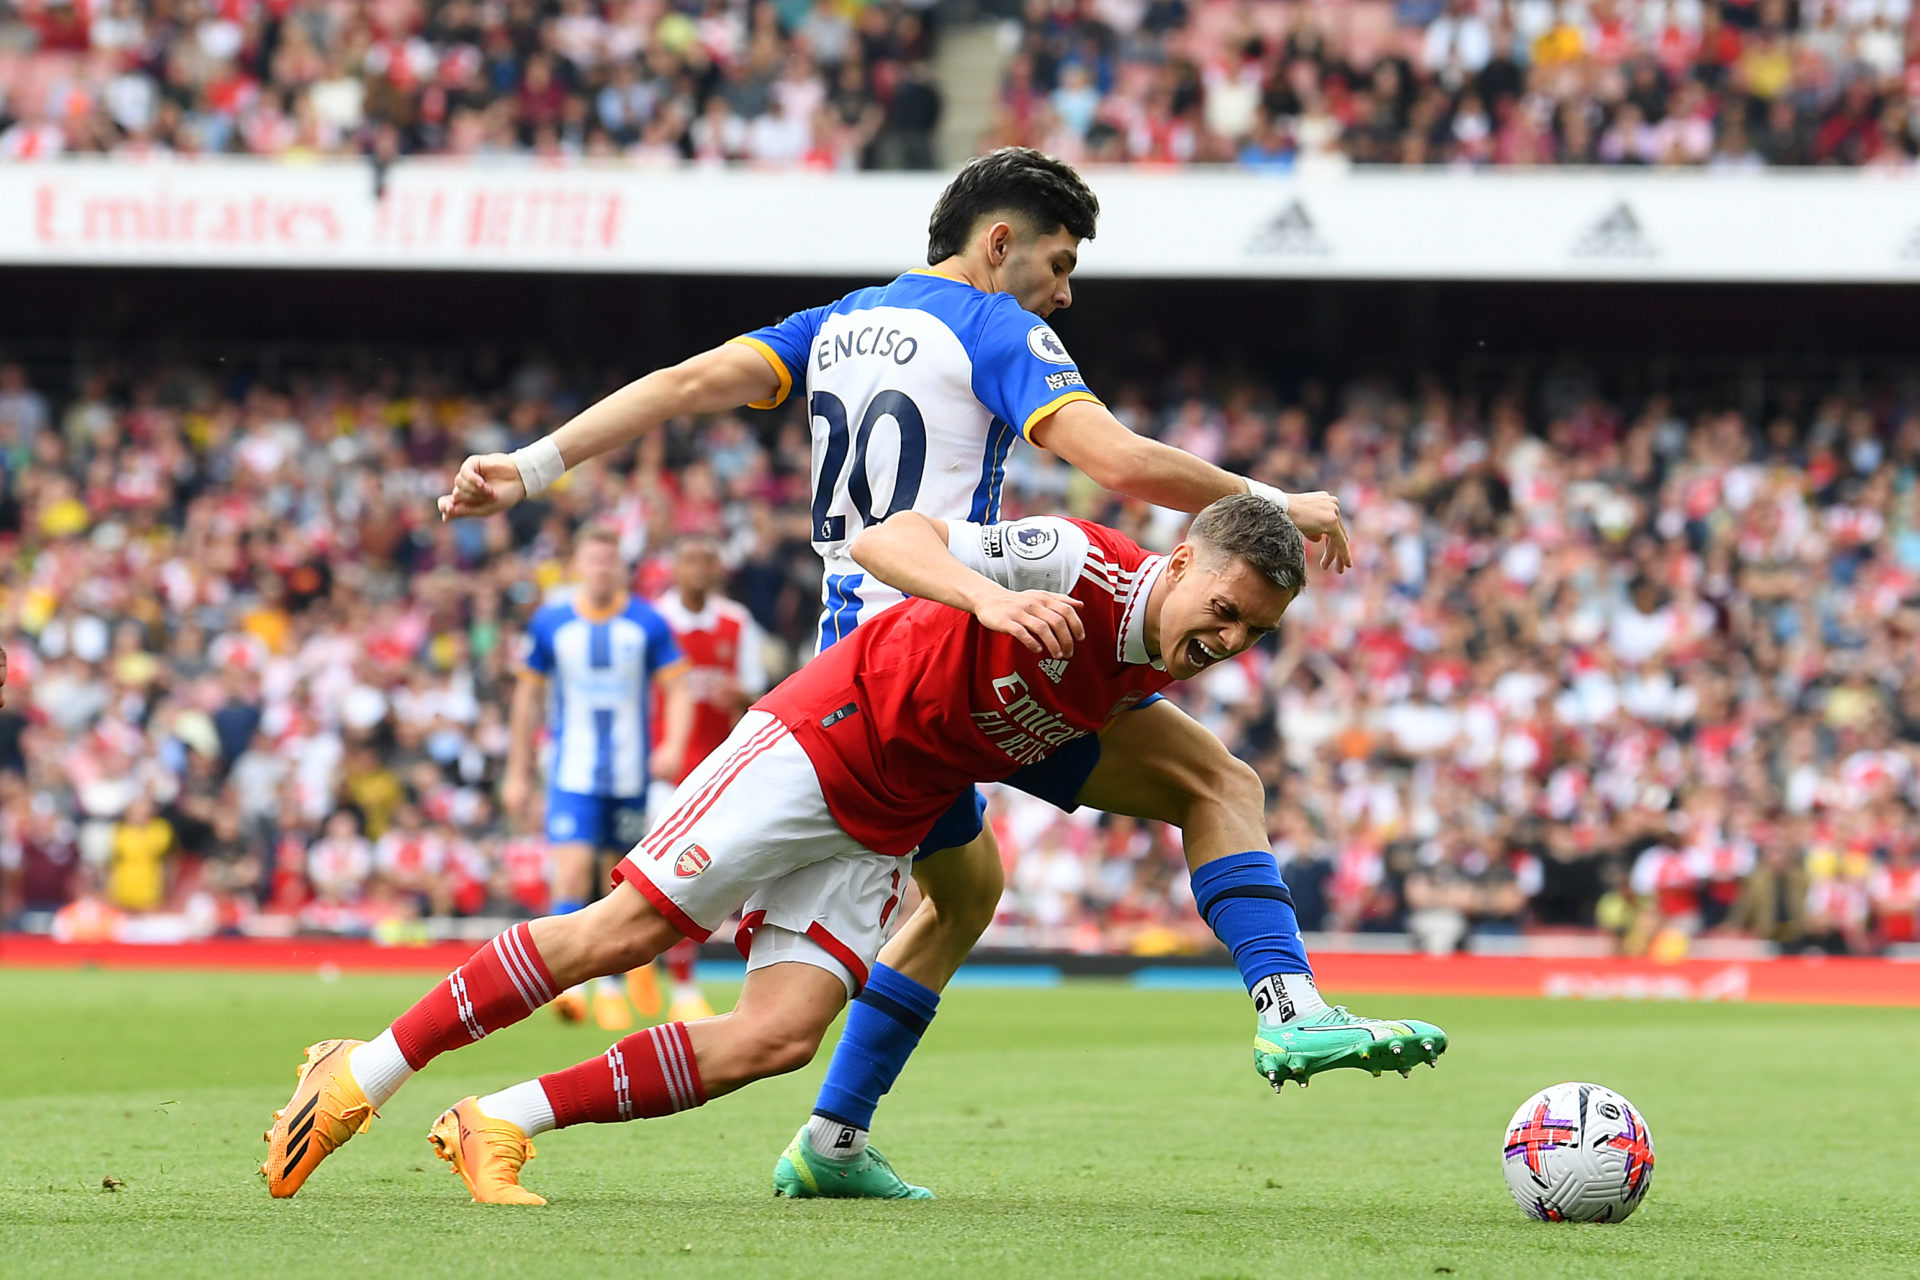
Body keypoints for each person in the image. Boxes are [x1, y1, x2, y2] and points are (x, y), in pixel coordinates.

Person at [434, 147, 1358, 1199]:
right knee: (1214, 784)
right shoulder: (997, 325)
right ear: (997, 243)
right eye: (1057, 265)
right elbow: (1123, 464)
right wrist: (1277, 499)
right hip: (951, 645)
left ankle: (831, 1140)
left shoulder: (835, 323)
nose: (1063, 293)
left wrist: (536, 462)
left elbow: (687, 384)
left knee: (966, 888)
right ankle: (1288, 1006)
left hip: (855, 643)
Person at [261, 496, 1446, 1203]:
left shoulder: (1155, 649)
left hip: (891, 807)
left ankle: (497, 1119)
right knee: (616, 934)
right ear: (1176, 562)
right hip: (819, 739)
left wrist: (1278, 502)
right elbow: (893, 537)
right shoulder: (1075, 562)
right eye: (1222, 609)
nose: (1226, 641)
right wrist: (983, 598)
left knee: (774, 1036)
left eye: (1252, 631)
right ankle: (361, 1074)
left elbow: (1199, 743)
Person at [502, 524, 694, 1030]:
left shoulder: (647, 624)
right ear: (578, 565)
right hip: (572, 774)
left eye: (611, 562)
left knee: (617, 886)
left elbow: (678, 688)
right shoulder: (552, 623)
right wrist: (517, 770)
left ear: (622, 569)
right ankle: (568, 988)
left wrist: (673, 743)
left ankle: (610, 984)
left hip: (630, 774)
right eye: (593, 560)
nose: (602, 570)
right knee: (570, 873)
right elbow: (527, 697)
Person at [632, 534, 768, 1023]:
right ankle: (668, 979)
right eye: (689, 557)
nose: (698, 568)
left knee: (701, 872)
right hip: (660, 767)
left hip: (715, 770)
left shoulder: (736, 622)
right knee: (665, 874)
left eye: (706, 559)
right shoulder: (652, 619)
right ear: (673, 566)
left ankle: (666, 973)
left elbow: (754, 690)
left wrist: (740, 693)